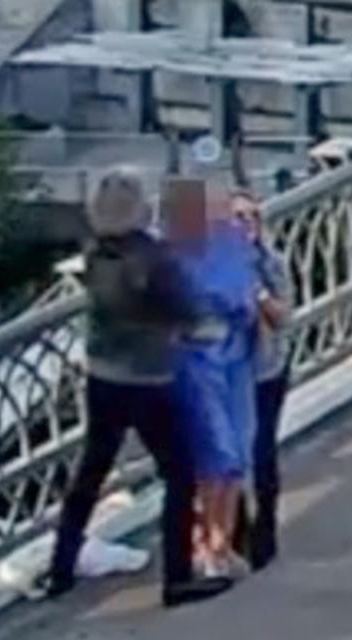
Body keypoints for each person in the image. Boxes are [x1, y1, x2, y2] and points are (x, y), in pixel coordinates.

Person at [45, 168, 233, 608]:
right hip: (149, 379)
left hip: (102, 376)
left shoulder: (95, 254)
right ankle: (178, 578)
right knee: (179, 473)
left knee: (90, 472)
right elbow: (188, 313)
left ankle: (61, 568)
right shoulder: (155, 258)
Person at [169, 180, 260, 579]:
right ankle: (207, 545)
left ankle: (220, 544)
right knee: (214, 455)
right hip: (198, 362)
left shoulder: (232, 241)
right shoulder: (181, 249)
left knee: (234, 452)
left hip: (232, 356)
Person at [230, 189, 293, 570]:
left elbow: (283, 315)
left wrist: (256, 294)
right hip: (228, 372)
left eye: (252, 216)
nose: (246, 224)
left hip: (266, 368)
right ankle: (236, 529)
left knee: (262, 450)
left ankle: (265, 525)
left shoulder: (271, 262)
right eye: (237, 217)